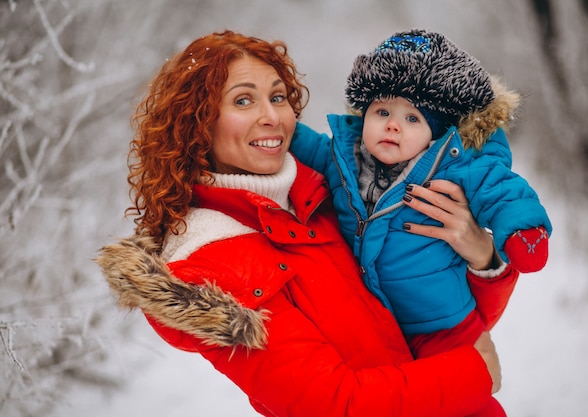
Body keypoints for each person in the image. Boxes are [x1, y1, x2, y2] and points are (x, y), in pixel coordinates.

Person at [95, 30, 520, 417]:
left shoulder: (325, 196)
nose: (272, 117)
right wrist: (474, 372)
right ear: (196, 124)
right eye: (243, 101)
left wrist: (484, 260)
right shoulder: (211, 258)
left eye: (278, 97)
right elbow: (333, 404)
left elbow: (438, 321)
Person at [290, 29, 553, 416]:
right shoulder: (344, 160)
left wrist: (523, 230)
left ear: (436, 133)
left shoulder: (452, 165)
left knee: (467, 401)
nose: (393, 126)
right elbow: (307, 146)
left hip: (444, 323)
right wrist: (281, 126)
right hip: (379, 323)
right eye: (382, 113)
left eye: (412, 118)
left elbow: (501, 188)